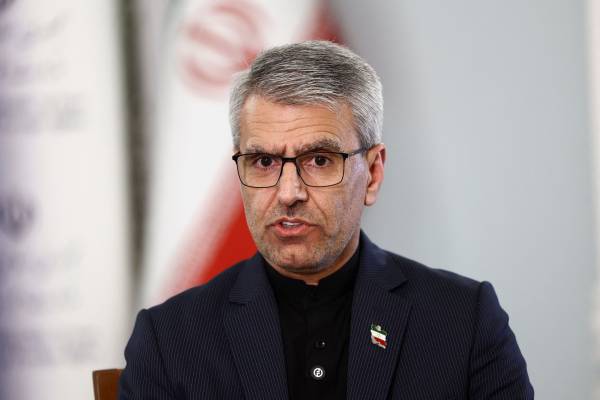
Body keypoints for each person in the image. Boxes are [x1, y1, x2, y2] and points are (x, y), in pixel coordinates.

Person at [119, 41, 534, 399]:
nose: (289, 193)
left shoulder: (463, 321)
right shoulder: (169, 339)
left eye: (319, 160)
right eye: (263, 161)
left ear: (373, 173)